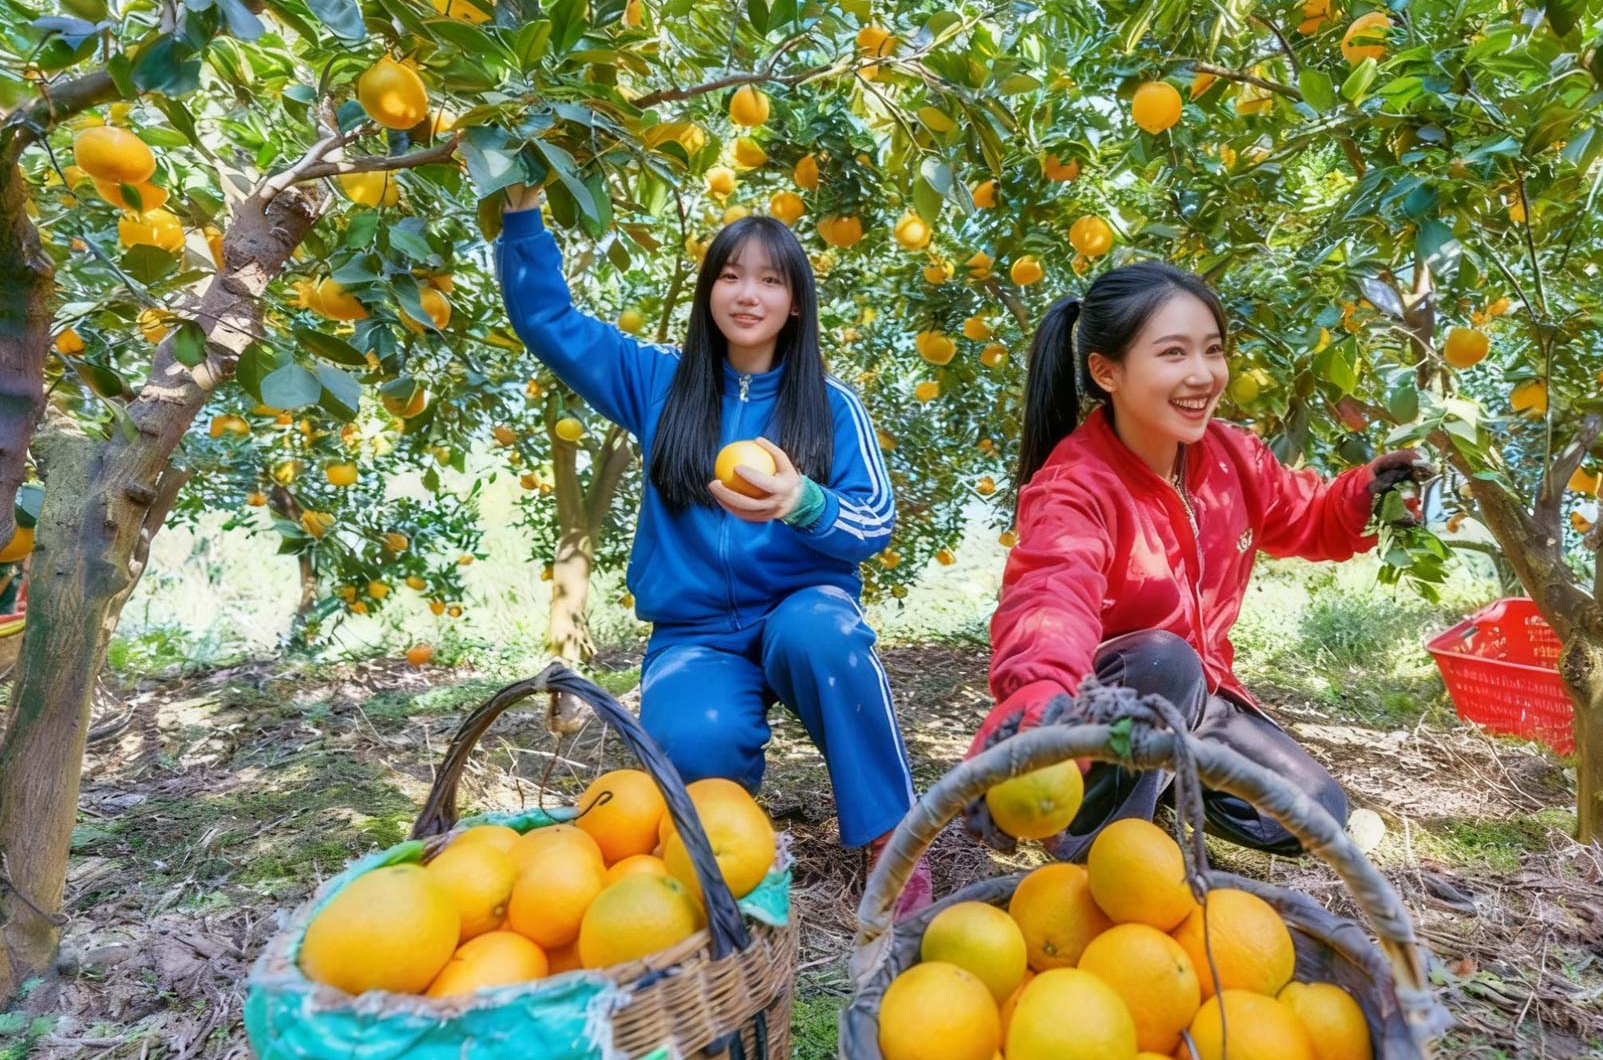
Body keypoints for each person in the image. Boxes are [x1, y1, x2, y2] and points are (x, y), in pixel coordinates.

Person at [496, 187, 928, 911]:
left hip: (800, 608)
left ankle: (895, 842)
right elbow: (547, 321)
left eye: (770, 278)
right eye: (730, 275)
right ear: (708, 292)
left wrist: (804, 503)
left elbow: (875, 522)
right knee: (693, 740)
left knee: (827, 635)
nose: (747, 293)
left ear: (796, 302)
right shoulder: (656, 381)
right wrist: (522, 214)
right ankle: (729, 844)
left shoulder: (831, 404)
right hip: (695, 633)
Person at [967, 260, 1428, 857]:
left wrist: (1364, 494)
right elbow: (1050, 597)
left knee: (1316, 814)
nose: (1203, 375)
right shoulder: (1075, 488)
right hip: (1112, 692)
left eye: (1213, 350)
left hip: (1198, 699)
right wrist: (1039, 703)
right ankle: (1099, 847)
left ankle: (1152, 777)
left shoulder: (1231, 457)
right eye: (1174, 354)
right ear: (1106, 371)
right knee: (1163, 661)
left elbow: (1305, 516)